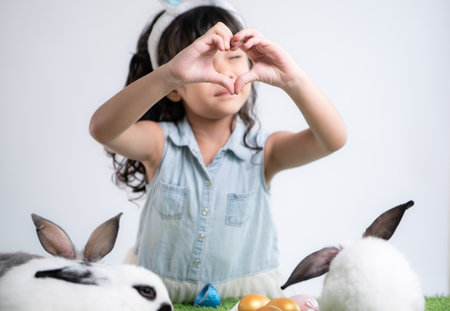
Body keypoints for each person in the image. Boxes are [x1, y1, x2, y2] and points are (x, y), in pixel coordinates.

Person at [89, 0, 347, 303]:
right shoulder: (159, 142)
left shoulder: (265, 151)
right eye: (206, 61)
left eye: (234, 56)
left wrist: (293, 80)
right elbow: (102, 129)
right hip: (161, 296)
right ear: (175, 87)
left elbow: (333, 139)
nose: (223, 70)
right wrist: (169, 75)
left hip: (246, 299)